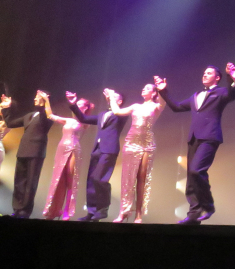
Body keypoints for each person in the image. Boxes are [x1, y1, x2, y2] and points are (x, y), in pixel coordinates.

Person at [155, 64, 235, 225]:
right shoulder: (196, 95)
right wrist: (163, 90)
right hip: (194, 138)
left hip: (210, 137)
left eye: (209, 73)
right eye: (204, 73)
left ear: (217, 77)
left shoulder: (221, 92)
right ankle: (193, 215)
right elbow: (177, 107)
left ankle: (208, 205)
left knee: (196, 171)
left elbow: (232, 94)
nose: (205, 75)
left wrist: (232, 77)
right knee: (190, 178)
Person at [66, 89, 130, 221]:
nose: (110, 97)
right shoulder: (102, 114)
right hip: (97, 149)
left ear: (120, 101)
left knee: (99, 178)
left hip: (109, 150)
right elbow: (83, 118)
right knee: (90, 180)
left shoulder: (122, 114)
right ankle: (91, 211)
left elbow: (117, 111)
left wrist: (111, 97)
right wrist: (73, 104)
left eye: (114, 97)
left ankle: (102, 209)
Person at [107, 84, 165, 223]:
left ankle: (138, 214)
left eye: (147, 88)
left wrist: (162, 89)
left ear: (153, 93)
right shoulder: (135, 106)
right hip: (132, 143)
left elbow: (163, 100)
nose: (143, 89)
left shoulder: (156, 106)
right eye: (143, 88)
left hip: (147, 144)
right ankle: (124, 212)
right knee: (128, 178)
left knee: (142, 178)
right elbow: (117, 111)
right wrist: (111, 96)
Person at [2, 91, 55, 218]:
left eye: (38, 97)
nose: (35, 99)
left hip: (36, 152)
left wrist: (45, 102)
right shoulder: (29, 115)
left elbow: (48, 117)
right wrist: (6, 108)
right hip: (23, 151)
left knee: (31, 182)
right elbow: (10, 123)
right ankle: (17, 209)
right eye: (36, 97)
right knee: (19, 182)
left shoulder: (47, 116)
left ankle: (25, 211)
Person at [41, 94, 92, 220]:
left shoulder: (85, 122)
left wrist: (78, 106)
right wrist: (46, 100)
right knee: (58, 179)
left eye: (81, 105)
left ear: (85, 109)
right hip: (62, 148)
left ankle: (67, 211)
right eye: (77, 104)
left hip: (74, 149)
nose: (78, 106)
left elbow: (84, 115)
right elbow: (50, 115)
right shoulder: (68, 120)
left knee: (70, 180)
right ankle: (53, 210)